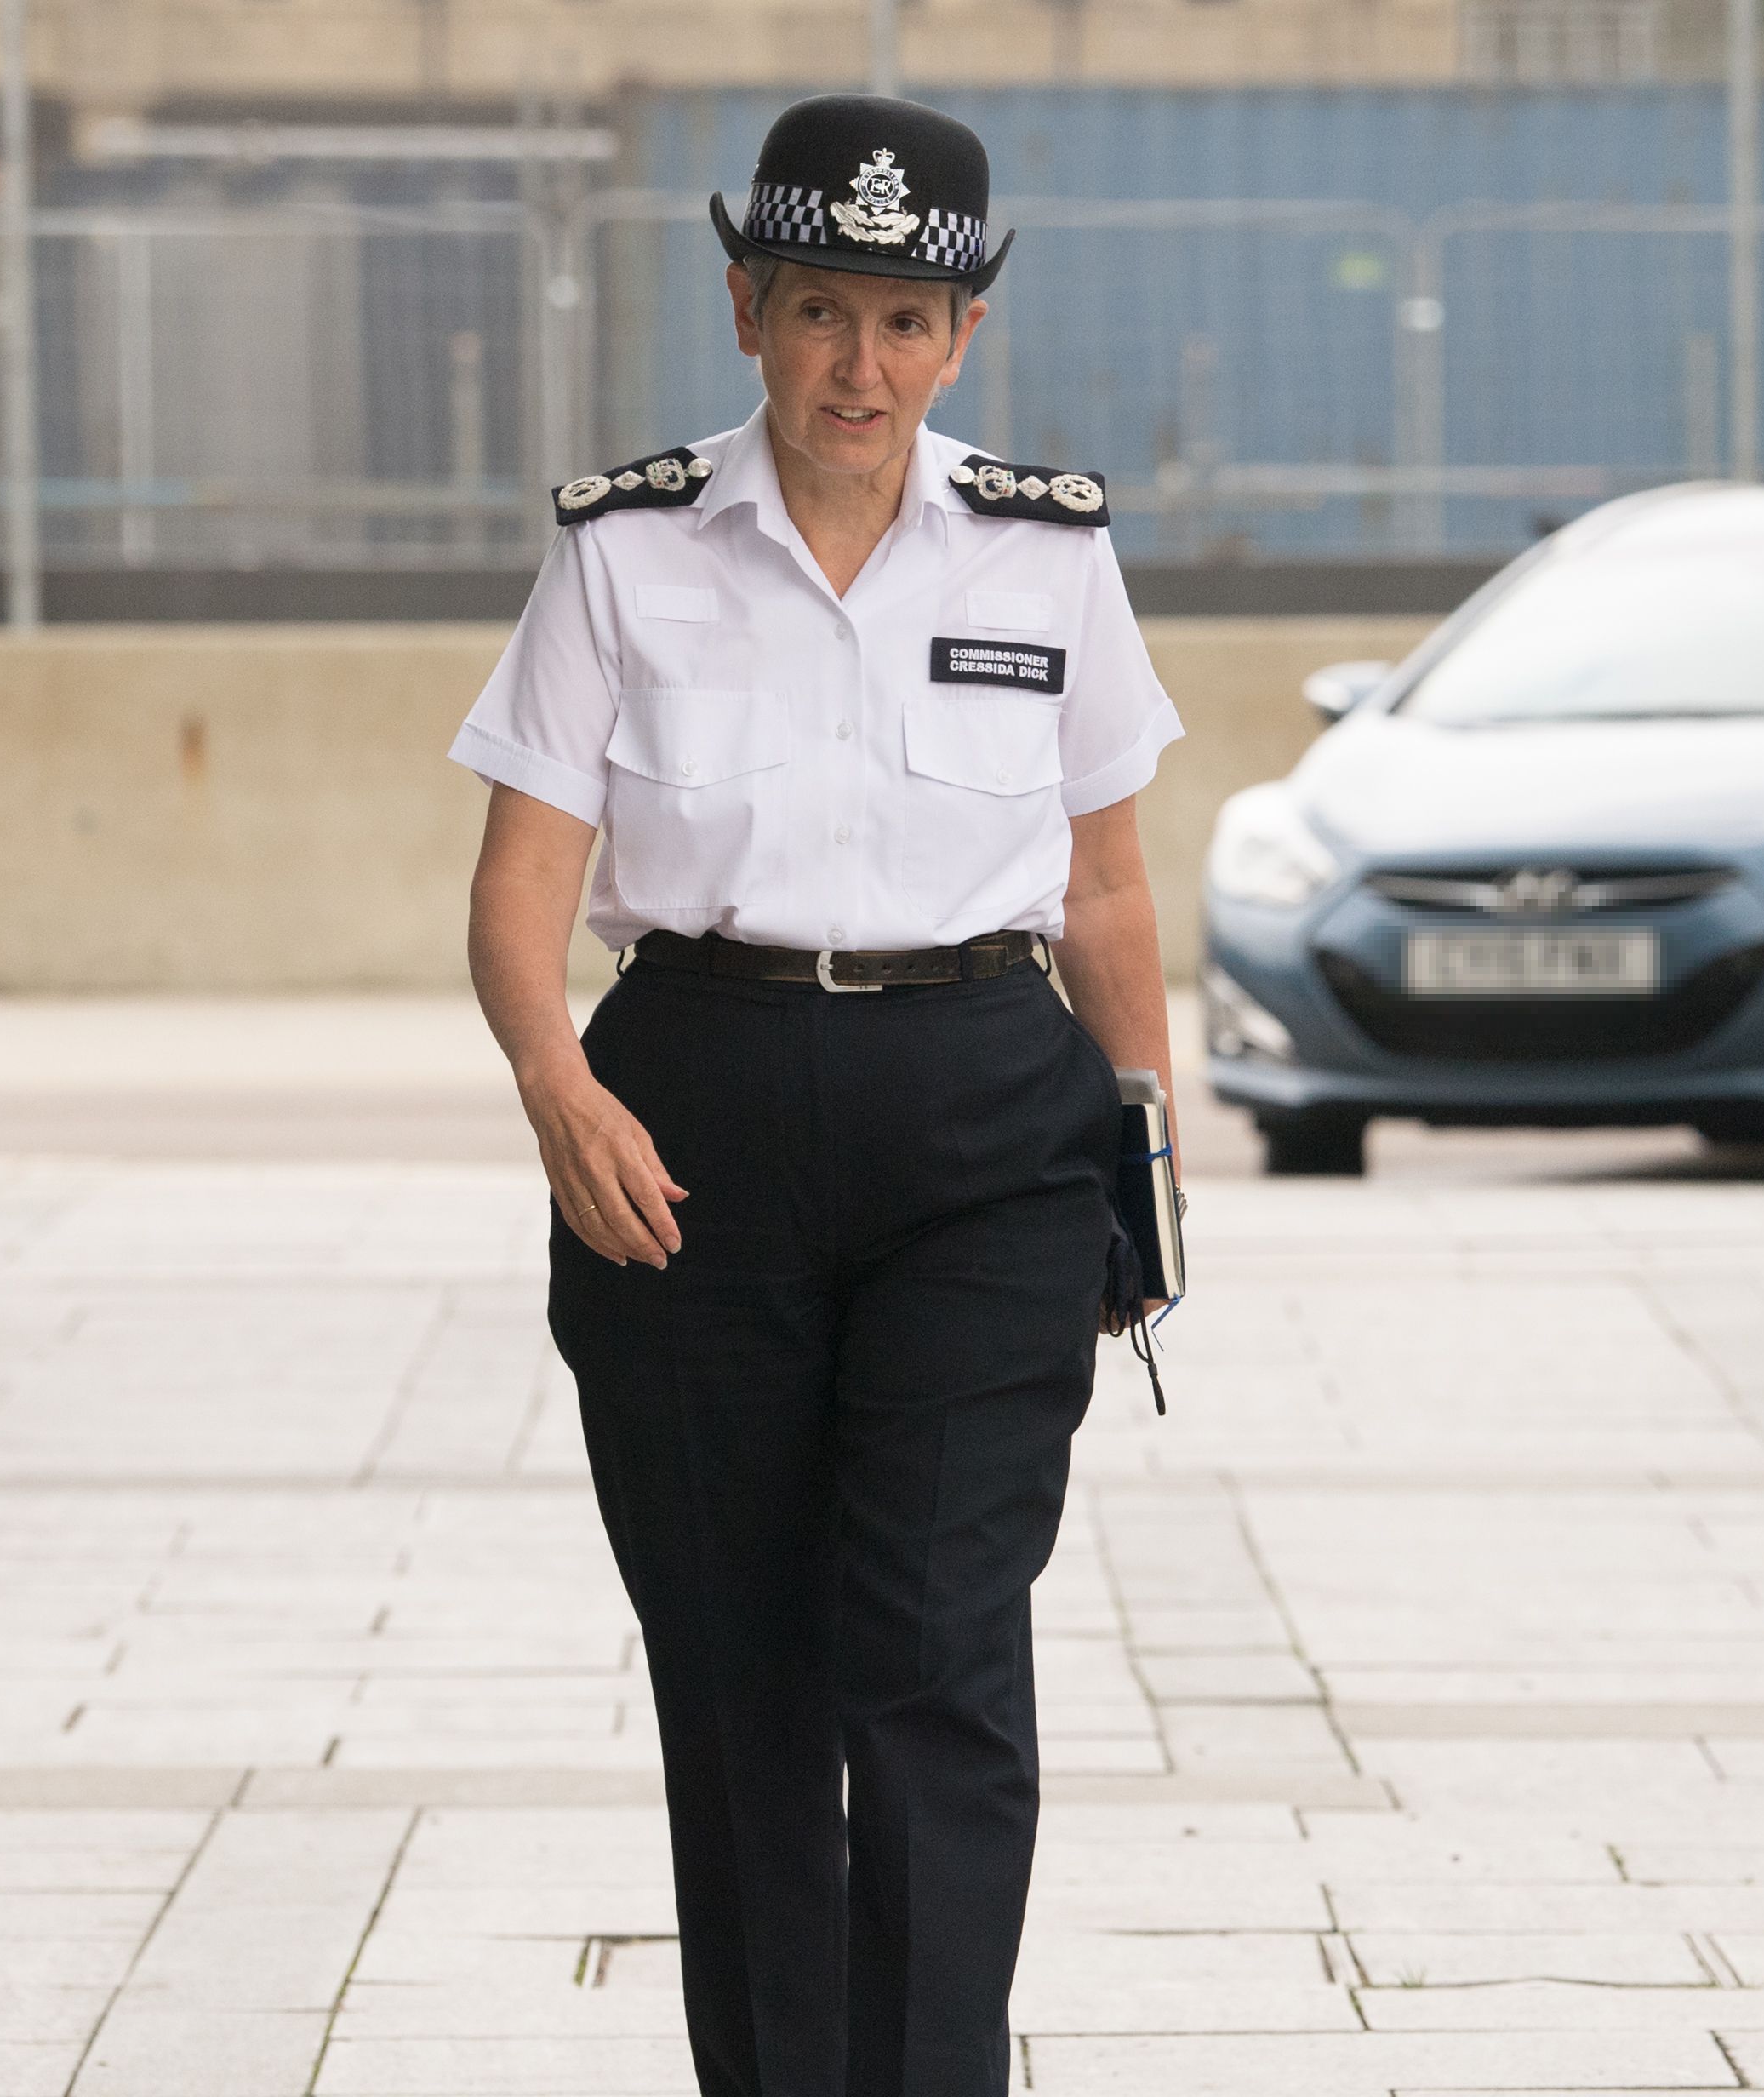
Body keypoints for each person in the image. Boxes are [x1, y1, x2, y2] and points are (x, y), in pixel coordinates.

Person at [449, 94, 1180, 2097]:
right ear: (749, 307)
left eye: (909, 322)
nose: (864, 365)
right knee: (744, 1676)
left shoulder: (1047, 549)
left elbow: (1108, 885)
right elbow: (522, 881)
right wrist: (553, 1087)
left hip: (984, 1129)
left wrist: (1146, 1165)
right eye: (822, 312)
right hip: (686, 1126)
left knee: (931, 1649)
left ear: (962, 339)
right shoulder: (625, 547)